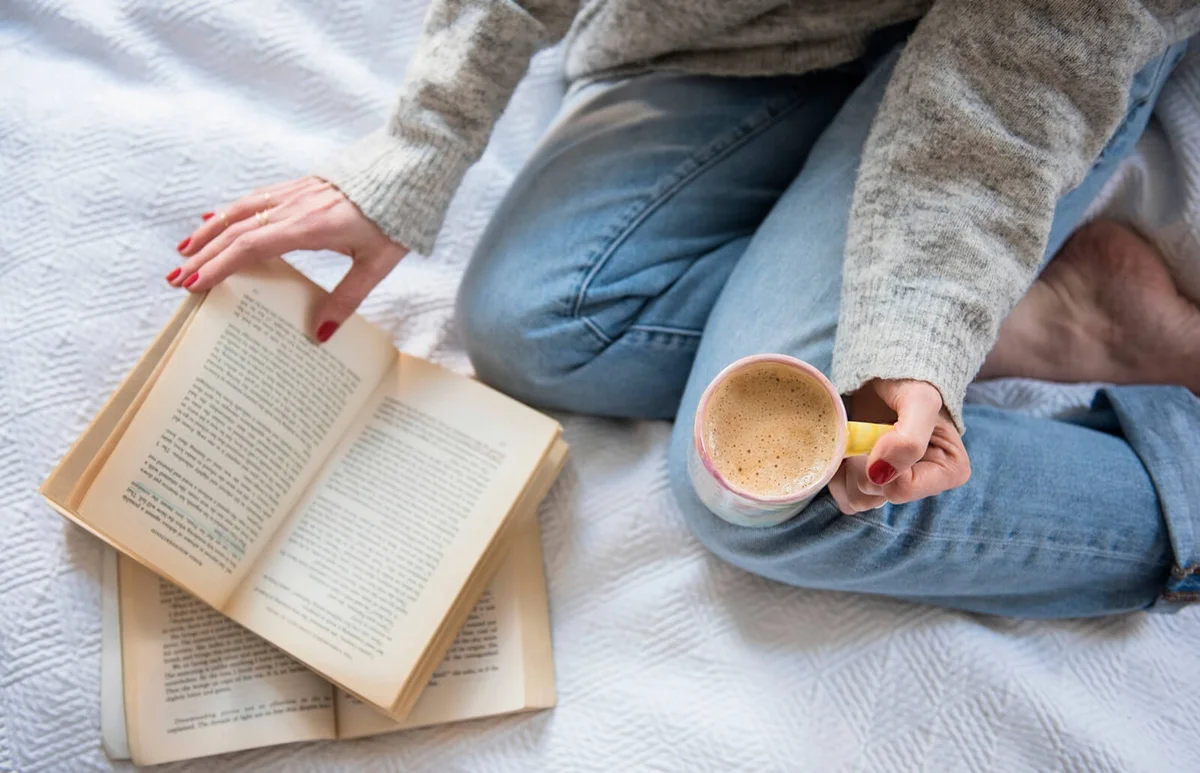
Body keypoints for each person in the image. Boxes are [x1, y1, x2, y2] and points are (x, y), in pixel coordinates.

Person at [167, 1, 1200, 618]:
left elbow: (1011, 80)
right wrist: (420, 143)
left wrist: (917, 321)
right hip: (745, 35)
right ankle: (1041, 319)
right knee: (533, 321)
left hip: (1008, 81)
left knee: (780, 500)